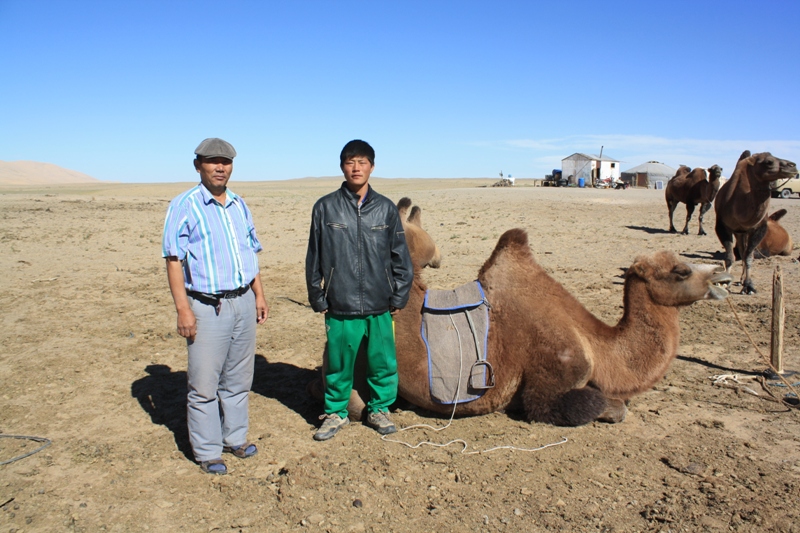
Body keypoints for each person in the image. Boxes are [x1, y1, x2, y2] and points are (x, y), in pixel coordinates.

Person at [162, 138, 269, 474]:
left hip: (244, 301)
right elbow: (173, 259)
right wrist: (183, 308)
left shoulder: (239, 205)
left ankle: (234, 438)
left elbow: (250, 253)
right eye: (212, 161)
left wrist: (259, 294)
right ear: (198, 165)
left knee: (239, 378)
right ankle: (208, 451)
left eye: (225, 161)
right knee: (204, 384)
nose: (220, 167)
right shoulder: (185, 205)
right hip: (208, 307)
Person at [305, 139, 413, 441]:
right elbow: (314, 255)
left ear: (372, 167)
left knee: (383, 362)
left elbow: (400, 257)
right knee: (338, 364)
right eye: (350, 162)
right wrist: (317, 295)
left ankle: (380, 409)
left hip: (380, 303)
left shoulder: (386, 209)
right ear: (342, 166)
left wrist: (399, 294)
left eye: (362, 162)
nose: (356, 167)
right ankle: (335, 413)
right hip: (340, 304)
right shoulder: (325, 208)